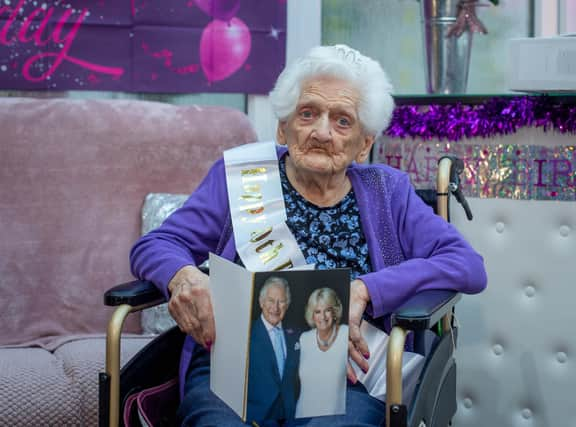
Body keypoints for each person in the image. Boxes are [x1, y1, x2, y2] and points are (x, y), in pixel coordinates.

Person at [130, 43, 487, 427]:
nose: (321, 131)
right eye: (308, 113)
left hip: (344, 377)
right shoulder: (239, 179)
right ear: (283, 126)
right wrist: (184, 276)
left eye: (342, 121)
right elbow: (155, 245)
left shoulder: (389, 192)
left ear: (364, 143)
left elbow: (467, 266)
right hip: (238, 367)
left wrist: (365, 290)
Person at [248, 276, 300, 422]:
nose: (276, 308)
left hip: (294, 420)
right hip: (256, 420)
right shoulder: (246, 334)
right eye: (271, 300)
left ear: (287, 304)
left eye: (281, 301)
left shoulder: (297, 335)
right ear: (261, 301)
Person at [295, 288, 348, 419]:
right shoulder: (304, 339)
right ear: (312, 315)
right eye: (317, 312)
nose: (323, 317)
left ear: (335, 312)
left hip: (334, 418)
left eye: (327, 310)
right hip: (302, 417)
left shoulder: (345, 334)